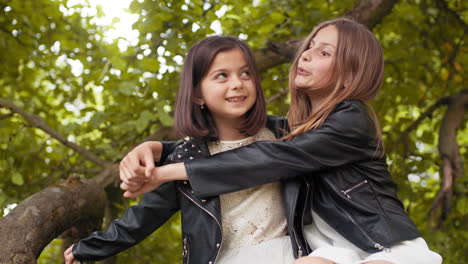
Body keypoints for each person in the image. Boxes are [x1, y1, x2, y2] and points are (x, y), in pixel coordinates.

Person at [120, 18, 442, 264]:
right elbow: (237, 143)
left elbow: (270, 157)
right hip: (333, 250)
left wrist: (164, 172)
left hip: (382, 244)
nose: (306, 55)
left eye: (324, 52)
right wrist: (159, 149)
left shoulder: (352, 119)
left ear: (349, 72)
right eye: (310, 46)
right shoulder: (297, 127)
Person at [63, 35, 308, 264]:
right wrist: (88, 248)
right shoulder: (186, 156)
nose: (237, 84)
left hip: (288, 254)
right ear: (197, 95)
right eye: (222, 75)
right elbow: (144, 216)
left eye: (246, 73)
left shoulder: (285, 133)